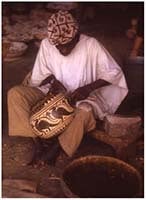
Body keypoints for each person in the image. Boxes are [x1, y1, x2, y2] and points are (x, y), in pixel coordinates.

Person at [8, 10, 128, 166]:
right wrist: (52, 80)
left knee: (84, 112)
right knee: (15, 94)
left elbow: (114, 72)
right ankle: (37, 143)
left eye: (66, 46)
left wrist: (87, 88)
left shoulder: (91, 45)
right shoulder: (47, 44)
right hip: (50, 93)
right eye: (58, 47)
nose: (62, 51)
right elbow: (38, 75)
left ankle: (56, 149)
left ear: (76, 37)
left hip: (85, 97)